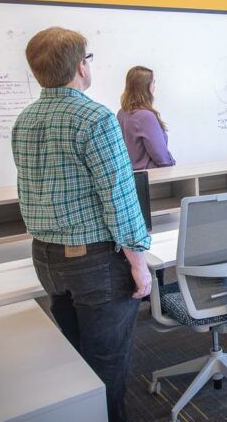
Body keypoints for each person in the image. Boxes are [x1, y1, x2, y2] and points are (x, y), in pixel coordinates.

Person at [11, 27, 152, 422]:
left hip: (46, 259)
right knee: (106, 365)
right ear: (80, 67)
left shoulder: (25, 120)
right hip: (95, 265)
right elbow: (120, 198)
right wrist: (139, 263)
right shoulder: (94, 117)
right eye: (88, 59)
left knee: (76, 364)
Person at [117, 65, 176, 170]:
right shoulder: (145, 117)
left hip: (132, 178)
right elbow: (163, 159)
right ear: (145, 87)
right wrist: (172, 162)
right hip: (152, 178)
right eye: (153, 82)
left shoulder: (122, 113)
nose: (155, 86)